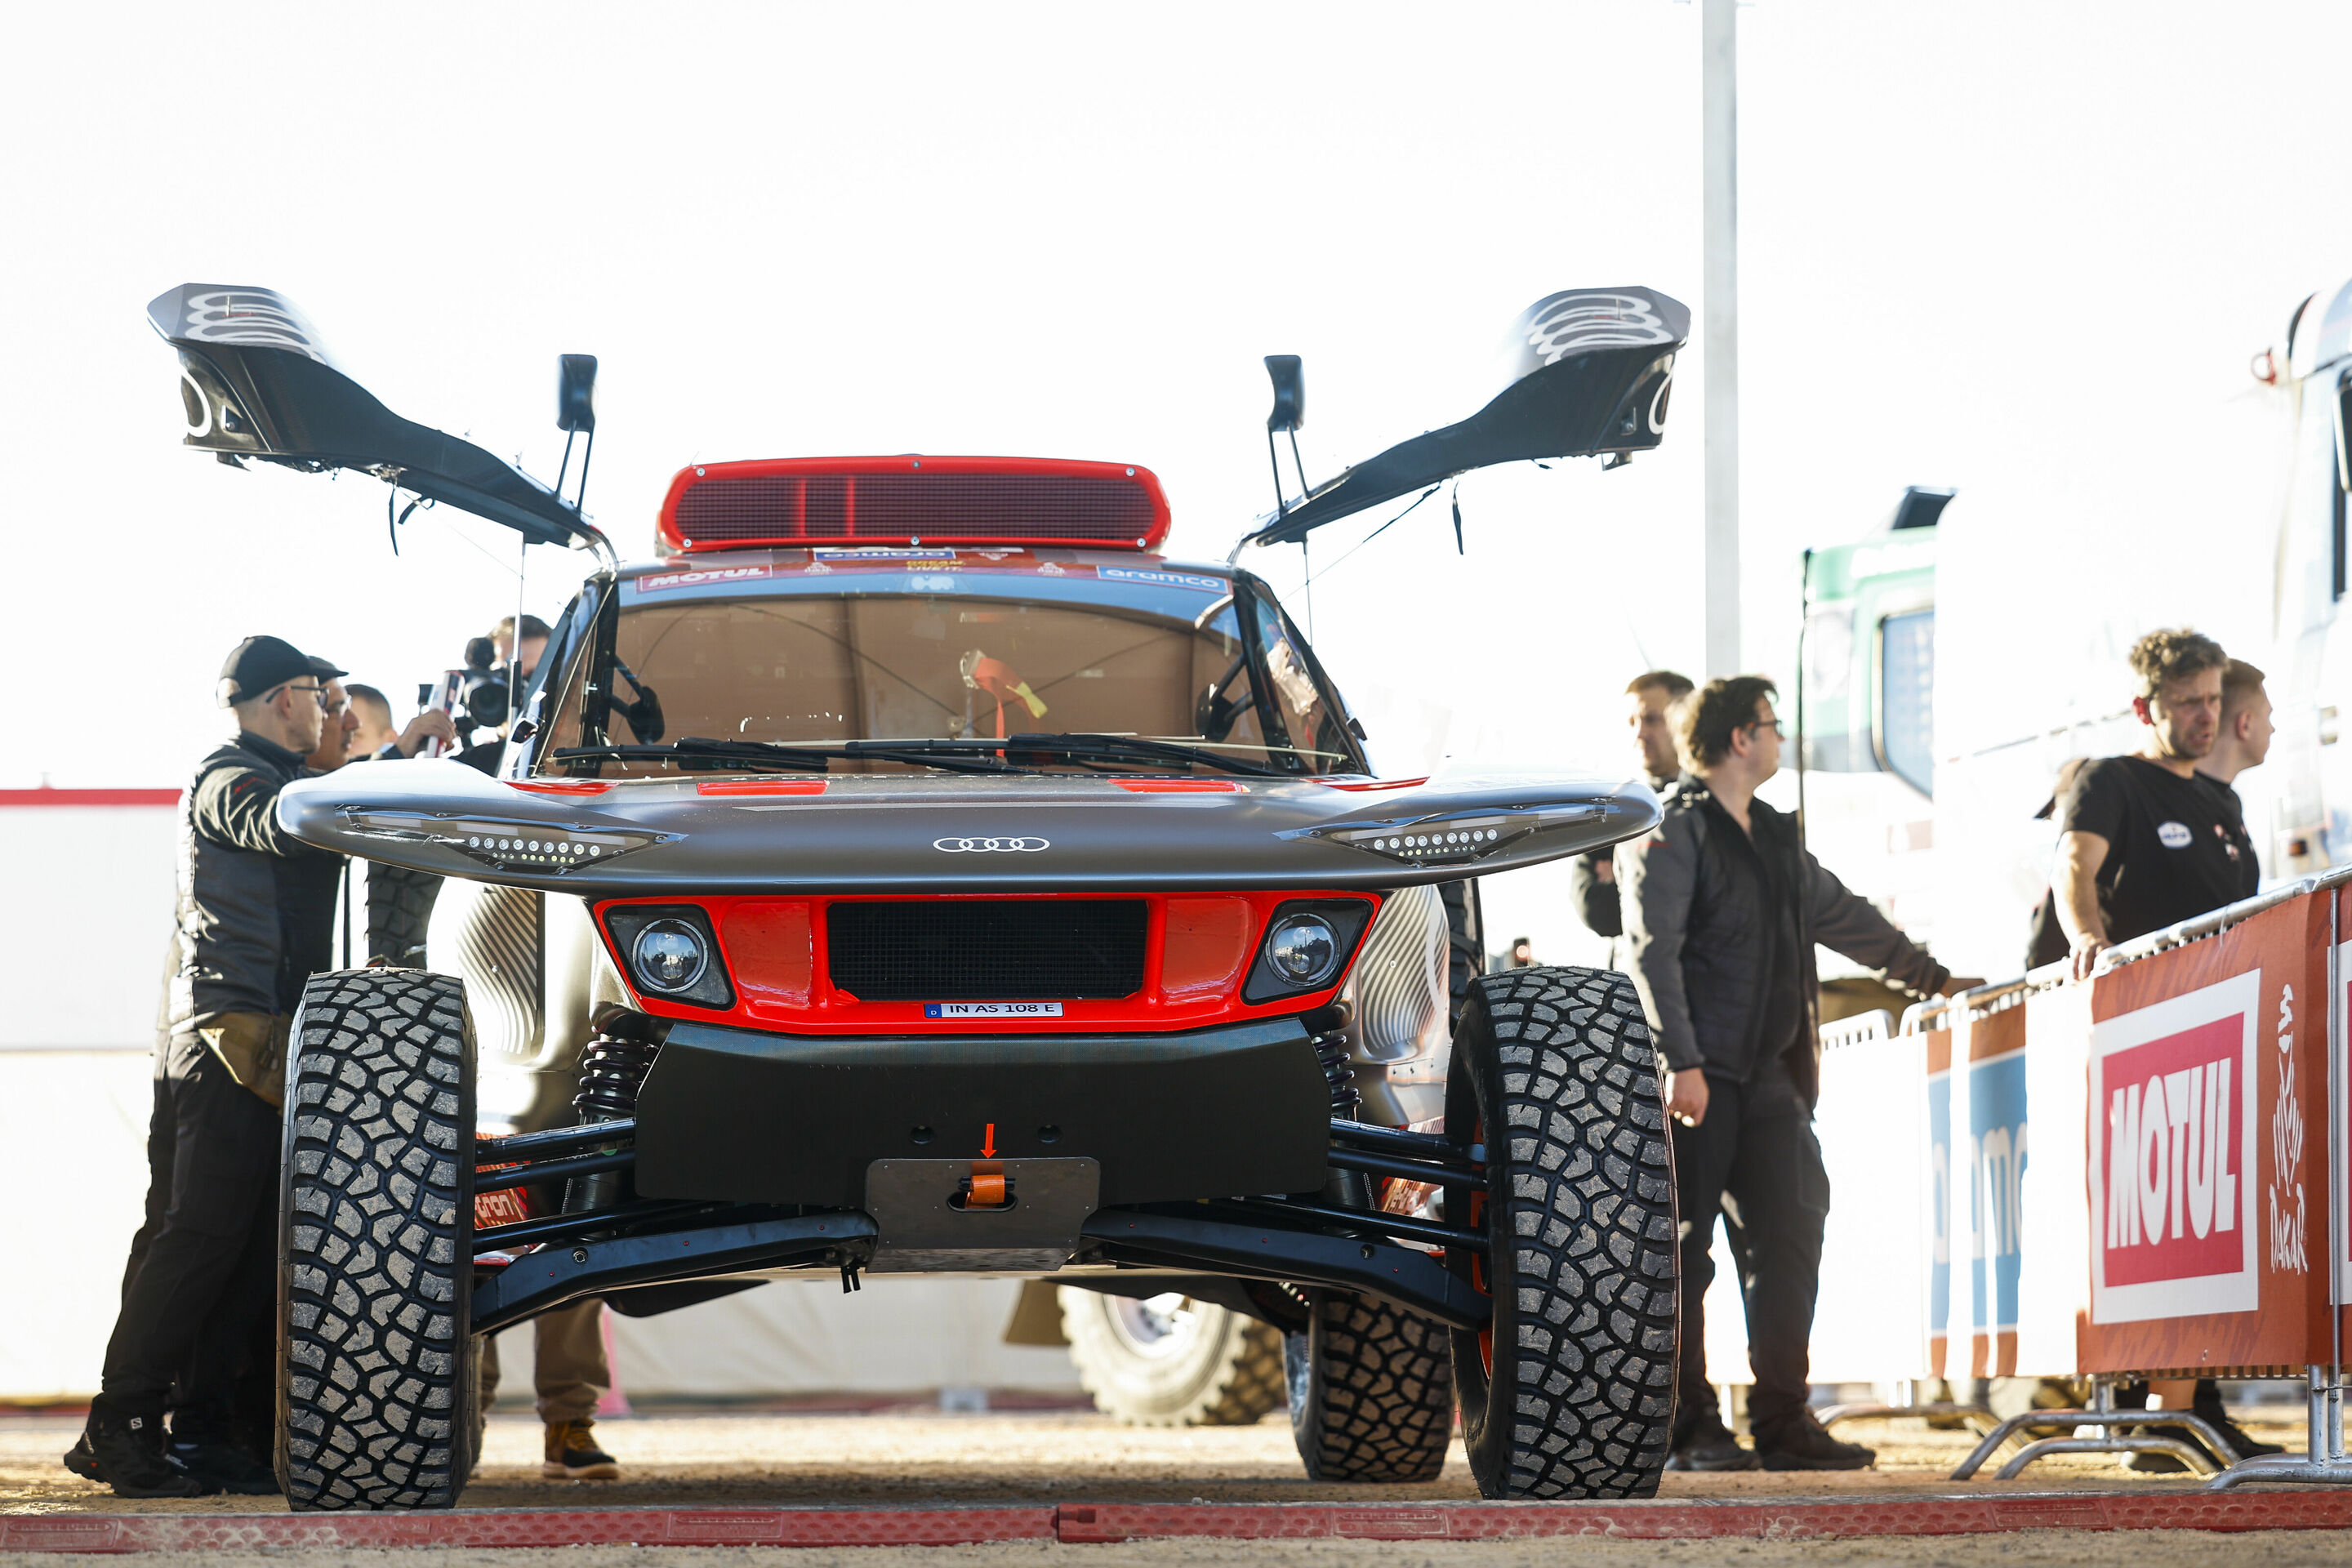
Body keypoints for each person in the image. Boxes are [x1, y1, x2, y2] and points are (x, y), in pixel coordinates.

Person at [1619, 675, 1977, 1472]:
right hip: (1699, 1078)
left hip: (1773, 1080)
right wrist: (1681, 1061)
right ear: (1740, 740)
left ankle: (1784, 1423)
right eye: (1772, 726)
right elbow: (1653, 955)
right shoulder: (1670, 833)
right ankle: (1689, 1425)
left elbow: (1844, 915)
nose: (1782, 739)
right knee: (1684, 1253)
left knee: (1790, 1234)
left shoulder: (1776, 839)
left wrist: (1934, 978)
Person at [67, 637, 345, 1498]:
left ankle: (208, 1432)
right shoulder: (232, 777)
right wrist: (359, 779)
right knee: (199, 1239)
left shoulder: (271, 777)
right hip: (227, 1041)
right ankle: (122, 1424)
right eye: (320, 693)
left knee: (247, 1246)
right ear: (278, 700)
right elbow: (277, 826)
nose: (331, 710)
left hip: (251, 1040)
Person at [2050, 633, 2275, 1471]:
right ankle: (2155, 1420)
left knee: (2212, 1238)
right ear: (2146, 708)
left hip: (2221, 1043)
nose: (2205, 716)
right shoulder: (2110, 781)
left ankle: (2191, 1412)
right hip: (2144, 1045)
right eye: (2188, 702)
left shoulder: (2223, 805)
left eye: (2214, 699)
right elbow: (2074, 867)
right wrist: (2089, 941)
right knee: (2163, 1239)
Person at [1570, 670, 1692, 947]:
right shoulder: (1618, 810)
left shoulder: (1708, 808)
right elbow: (1596, 909)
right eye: (1632, 721)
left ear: (1684, 720)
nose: (1639, 733)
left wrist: (1621, 881)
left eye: (1651, 719)